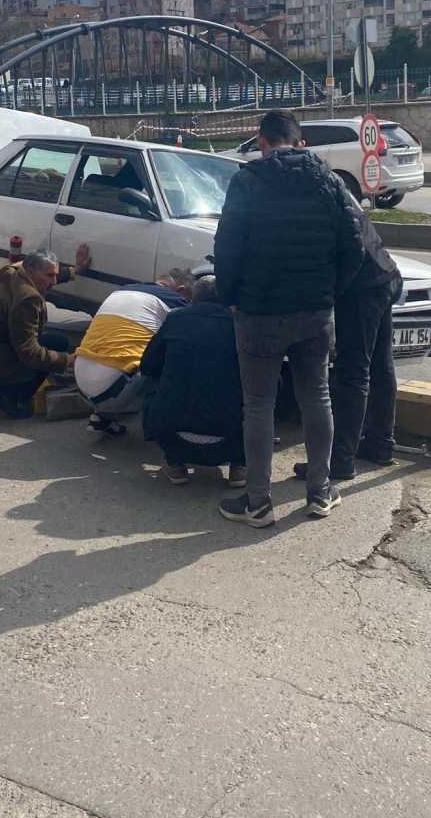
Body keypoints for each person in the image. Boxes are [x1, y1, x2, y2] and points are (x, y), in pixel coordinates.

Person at [213, 108, 363, 527]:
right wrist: (330, 291)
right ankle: (320, 491)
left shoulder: (247, 181)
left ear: (261, 141)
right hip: (315, 311)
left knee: (259, 405)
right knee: (317, 397)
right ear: (301, 143)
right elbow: (354, 245)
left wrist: (230, 296)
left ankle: (258, 502)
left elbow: (227, 245)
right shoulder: (329, 181)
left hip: (259, 312)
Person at [294, 205, 403, 482]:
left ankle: (340, 461)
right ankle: (380, 443)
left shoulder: (310, 197)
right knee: (379, 365)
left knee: (352, 372)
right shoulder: (334, 189)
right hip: (385, 272)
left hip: (362, 286)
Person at [0, 246, 90, 418]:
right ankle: (10, 396)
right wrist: (67, 360)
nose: (54, 281)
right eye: (50, 276)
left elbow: (46, 272)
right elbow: (29, 352)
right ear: (31, 272)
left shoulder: (11, 272)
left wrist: (73, 271)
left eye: (55, 275)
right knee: (56, 344)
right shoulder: (27, 298)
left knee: (37, 343)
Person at [139, 275, 245, 488]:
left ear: (192, 298)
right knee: (261, 394)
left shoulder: (175, 319)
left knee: (153, 379)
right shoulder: (240, 325)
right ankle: (240, 466)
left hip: (173, 437)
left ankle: (175, 464)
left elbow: (147, 366)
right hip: (230, 440)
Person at [74, 269, 195, 437]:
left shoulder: (122, 290)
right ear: (180, 290)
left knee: (127, 349)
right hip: (114, 390)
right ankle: (165, 427)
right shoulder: (174, 300)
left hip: (80, 382)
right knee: (177, 356)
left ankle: (103, 417)